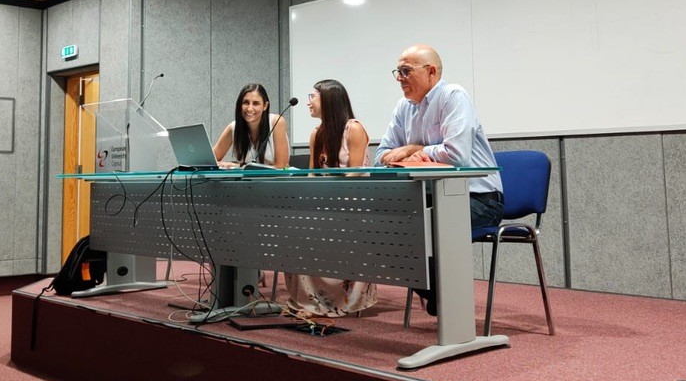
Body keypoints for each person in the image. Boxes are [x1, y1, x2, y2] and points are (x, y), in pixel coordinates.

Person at [374, 44, 503, 315]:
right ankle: (444, 296)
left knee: (411, 229)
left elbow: (457, 155)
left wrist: (414, 149)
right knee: (380, 227)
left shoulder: (453, 96)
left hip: (479, 199)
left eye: (406, 71)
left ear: (431, 71)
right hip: (430, 198)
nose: (399, 78)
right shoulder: (403, 107)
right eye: (398, 72)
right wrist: (410, 153)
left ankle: (449, 303)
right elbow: (380, 156)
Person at [282, 79, 378, 317]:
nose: (308, 102)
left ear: (328, 100)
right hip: (325, 204)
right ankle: (307, 301)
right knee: (291, 229)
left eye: (312, 97)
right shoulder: (316, 134)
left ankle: (328, 303)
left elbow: (356, 175)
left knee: (312, 231)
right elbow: (312, 175)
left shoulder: (353, 129)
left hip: (352, 208)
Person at [212, 83, 289, 169]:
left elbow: (281, 166)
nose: (249, 108)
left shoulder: (277, 122)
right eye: (245, 102)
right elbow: (210, 161)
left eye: (256, 103)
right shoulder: (233, 127)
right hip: (246, 178)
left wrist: (239, 166)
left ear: (265, 106)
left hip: (276, 177)